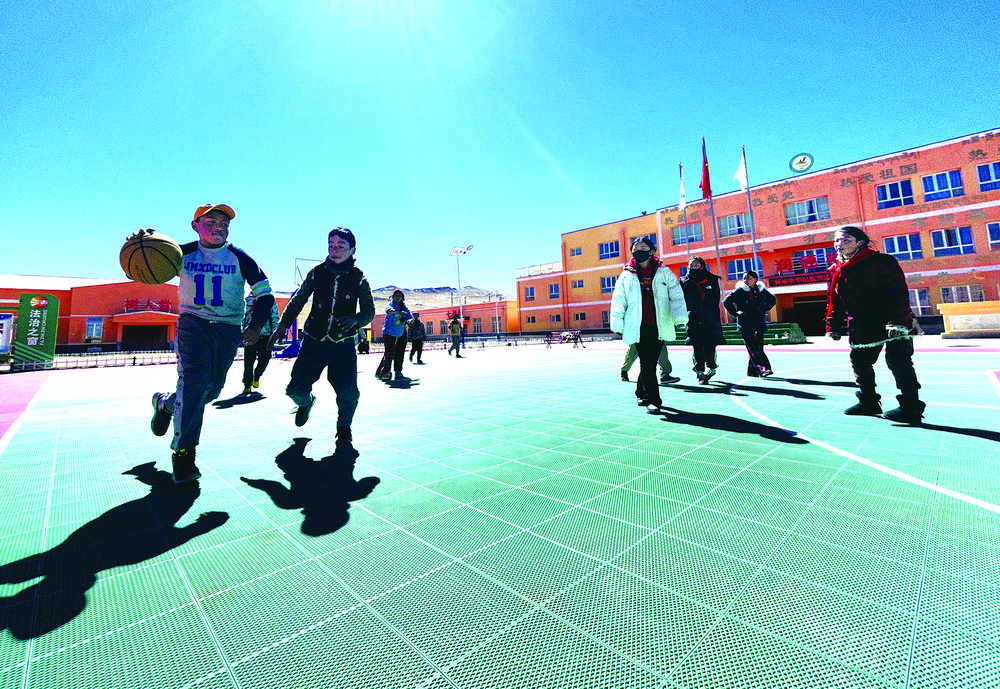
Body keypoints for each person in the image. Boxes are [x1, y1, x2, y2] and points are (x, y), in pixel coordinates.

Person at [149, 204, 275, 485]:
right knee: (194, 384)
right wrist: (144, 243)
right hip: (192, 325)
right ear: (195, 226)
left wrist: (256, 325)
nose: (219, 226)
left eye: (224, 223)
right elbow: (146, 267)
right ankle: (184, 455)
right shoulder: (179, 254)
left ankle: (166, 404)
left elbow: (266, 295)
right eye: (211, 221)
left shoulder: (241, 258)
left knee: (211, 391)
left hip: (227, 330)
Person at [267, 227, 375, 445]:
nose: (335, 250)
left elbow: (369, 311)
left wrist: (356, 320)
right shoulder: (316, 273)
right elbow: (298, 299)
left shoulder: (360, 278)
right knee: (295, 390)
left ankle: (344, 428)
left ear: (352, 250)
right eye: (331, 245)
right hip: (313, 342)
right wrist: (282, 326)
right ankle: (306, 402)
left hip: (343, 345)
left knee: (348, 392)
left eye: (341, 246)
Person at [825, 225, 925, 422]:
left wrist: (897, 321)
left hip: (892, 320)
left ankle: (911, 407)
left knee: (898, 361)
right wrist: (833, 325)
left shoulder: (881, 262)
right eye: (837, 240)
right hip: (862, 323)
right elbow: (834, 300)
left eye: (846, 240)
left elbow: (897, 292)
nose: (839, 245)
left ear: (860, 243)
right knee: (860, 361)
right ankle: (868, 402)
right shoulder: (838, 269)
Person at [610, 237, 687, 412]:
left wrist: (680, 318)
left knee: (649, 363)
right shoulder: (627, 275)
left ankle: (641, 392)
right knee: (647, 362)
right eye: (635, 249)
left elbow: (676, 295)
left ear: (652, 251)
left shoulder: (663, 272)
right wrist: (617, 322)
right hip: (639, 325)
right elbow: (619, 299)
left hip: (659, 324)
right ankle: (654, 400)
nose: (639, 251)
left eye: (643, 248)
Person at [680, 256, 725, 384]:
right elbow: (682, 299)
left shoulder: (711, 279)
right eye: (691, 265)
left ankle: (711, 367)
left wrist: (712, 313)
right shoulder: (684, 281)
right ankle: (700, 372)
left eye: (696, 264)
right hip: (694, 317)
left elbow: (716, 298)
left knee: (710, 344)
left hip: (710, 317)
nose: (694, 267)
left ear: (702, 266)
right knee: (697, 345)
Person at [723, 270, 776, 377]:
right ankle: (764, 368)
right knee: (753, 348)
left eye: (749, 278)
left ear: (755, 279)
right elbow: (726, 301)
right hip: (745, 324)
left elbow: (772, 300)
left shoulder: (761, 291)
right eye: (744, 278)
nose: (746, 280)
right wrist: (735, 313)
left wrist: (764, 309)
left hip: (759, 323)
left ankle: (752, 371)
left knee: (758, 347)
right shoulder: (740, 291)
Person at [241, 293, 280, 394]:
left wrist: (276, 331)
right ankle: (247, 384)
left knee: (265, 358)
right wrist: (241, 331)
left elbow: (274, 315)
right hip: (249, 333)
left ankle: (257, 375)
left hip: (265, 334)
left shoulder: (269, 299)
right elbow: (243, 316)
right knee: (249, 360)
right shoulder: (248, 299)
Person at [375, 289, 411, 380]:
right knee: (390, 352)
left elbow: (409, 317)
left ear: (402, 297)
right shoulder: (390, 305)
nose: (397, 297)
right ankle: (385, 372)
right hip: (389, 332)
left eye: (399, 296)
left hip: (400, 332)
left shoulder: (405, 308)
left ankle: (383, 371)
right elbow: (389, 311)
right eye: (395, 295)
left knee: (394, 352)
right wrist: (398, 312)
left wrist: (410, 321)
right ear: (393, 297)